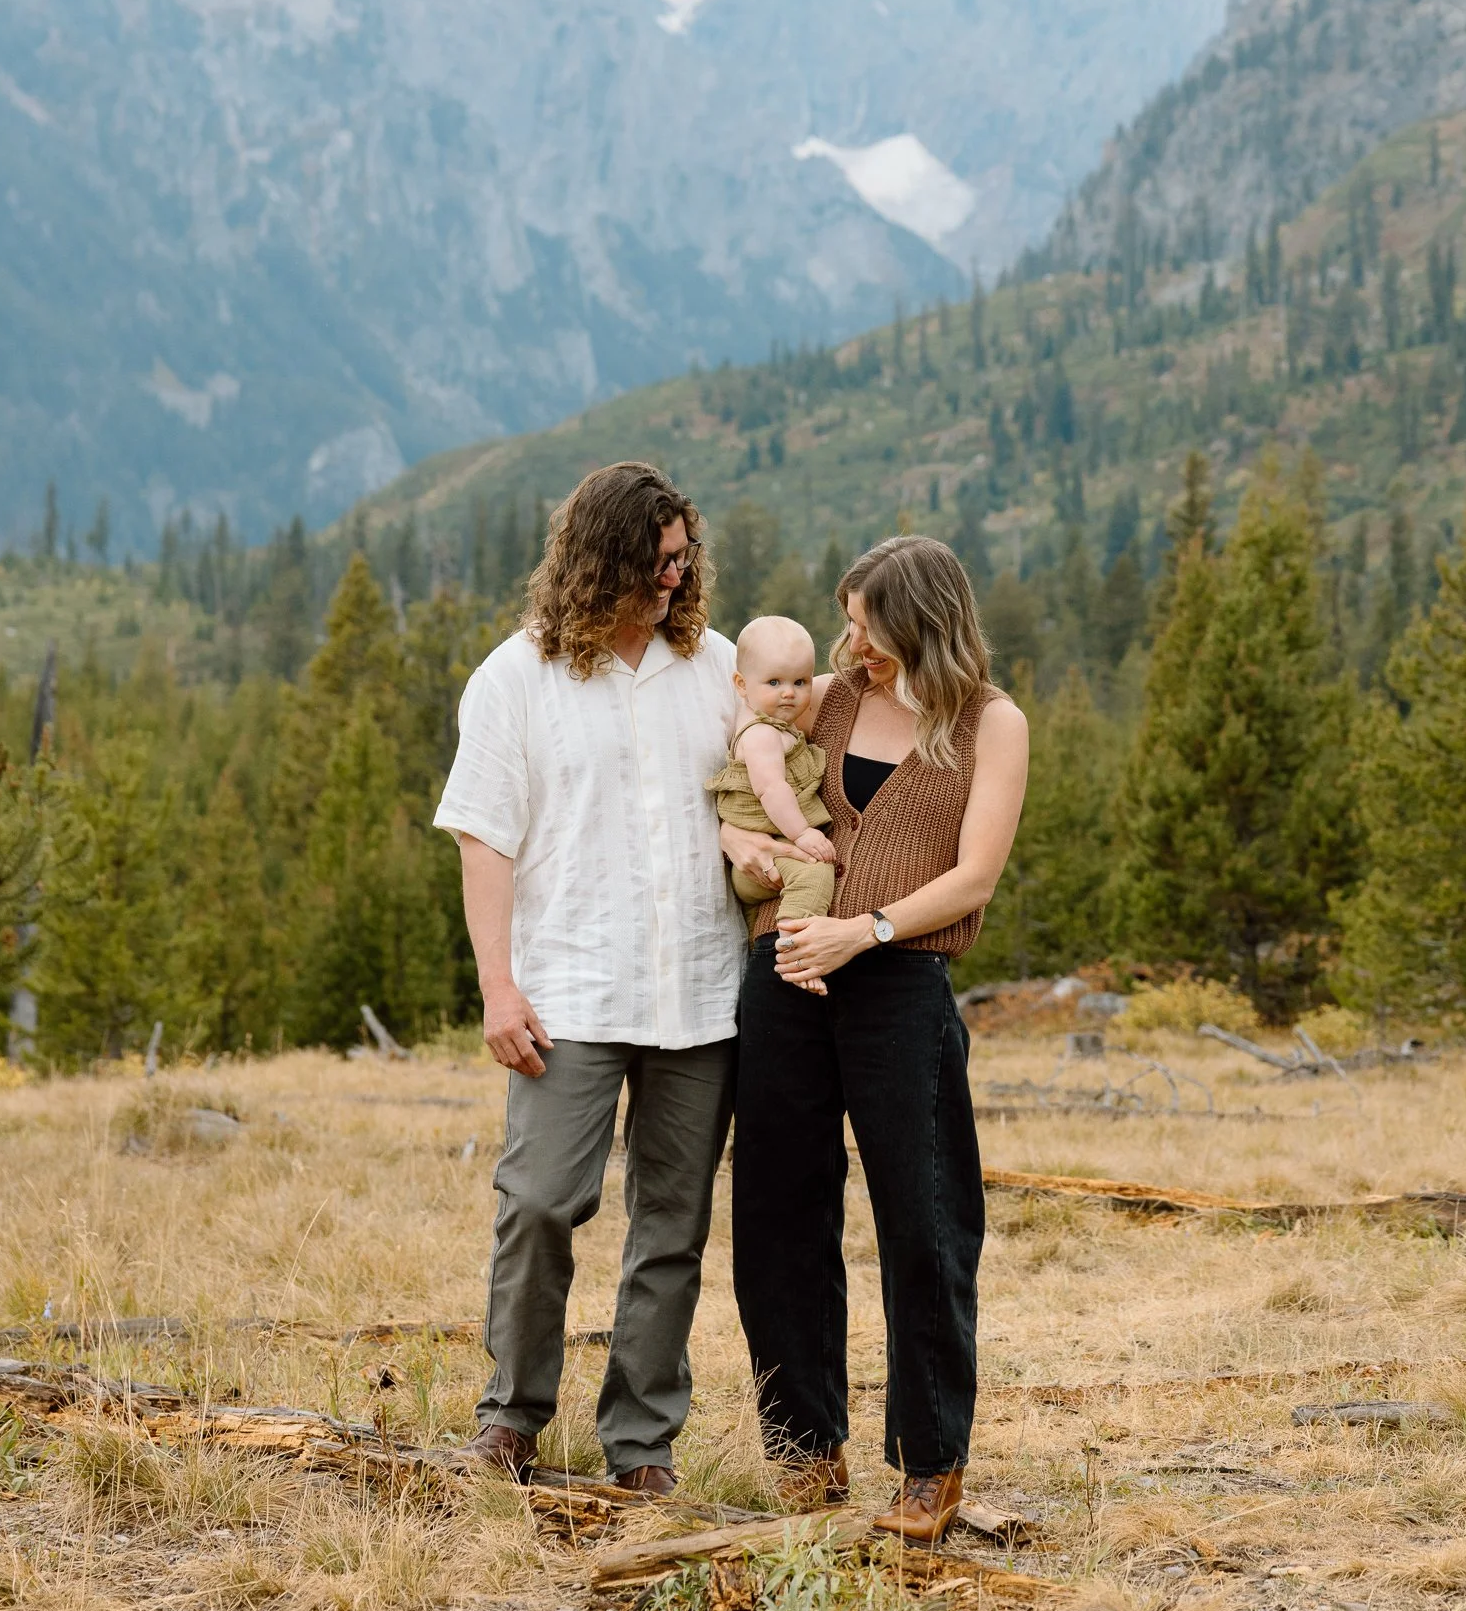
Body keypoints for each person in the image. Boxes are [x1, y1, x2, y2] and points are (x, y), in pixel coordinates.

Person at [433, 460, 742, 1496]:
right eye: (655, 560)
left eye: (681, 556)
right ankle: (510, 1417)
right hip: (567, 987)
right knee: (538, 1202)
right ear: (600, 557)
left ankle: (641, 1444)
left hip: (700, 993)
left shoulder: (718, 669)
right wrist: (497, 986)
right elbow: (484, 841)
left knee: (673, 1224)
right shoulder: (516, 678)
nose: (673, 577)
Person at [721, 535, 1029, 1546]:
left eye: (861, 621)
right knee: (778, 1209)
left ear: (918, 621)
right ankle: (803, 1447)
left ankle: (928, 1466)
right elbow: (742, 754)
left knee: (926, 1219)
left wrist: (869, 928)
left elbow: (974, 875)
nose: (845, 639)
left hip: (898, 981)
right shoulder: (830, 699)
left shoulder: (990, 723)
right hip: (787, 971)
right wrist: (742, 842)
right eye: (844, 619)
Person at [705, 614, 836, 931]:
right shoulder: (761, 734)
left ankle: (762, 946)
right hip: (768, 848)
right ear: (741, 684)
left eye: (800, 682)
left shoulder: (776, 726)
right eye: (774, 682)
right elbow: (772, 789)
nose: (789, 693)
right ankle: (796, 939)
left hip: (769, 848)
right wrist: (802, 834)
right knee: (814, 873)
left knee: (752, 929)